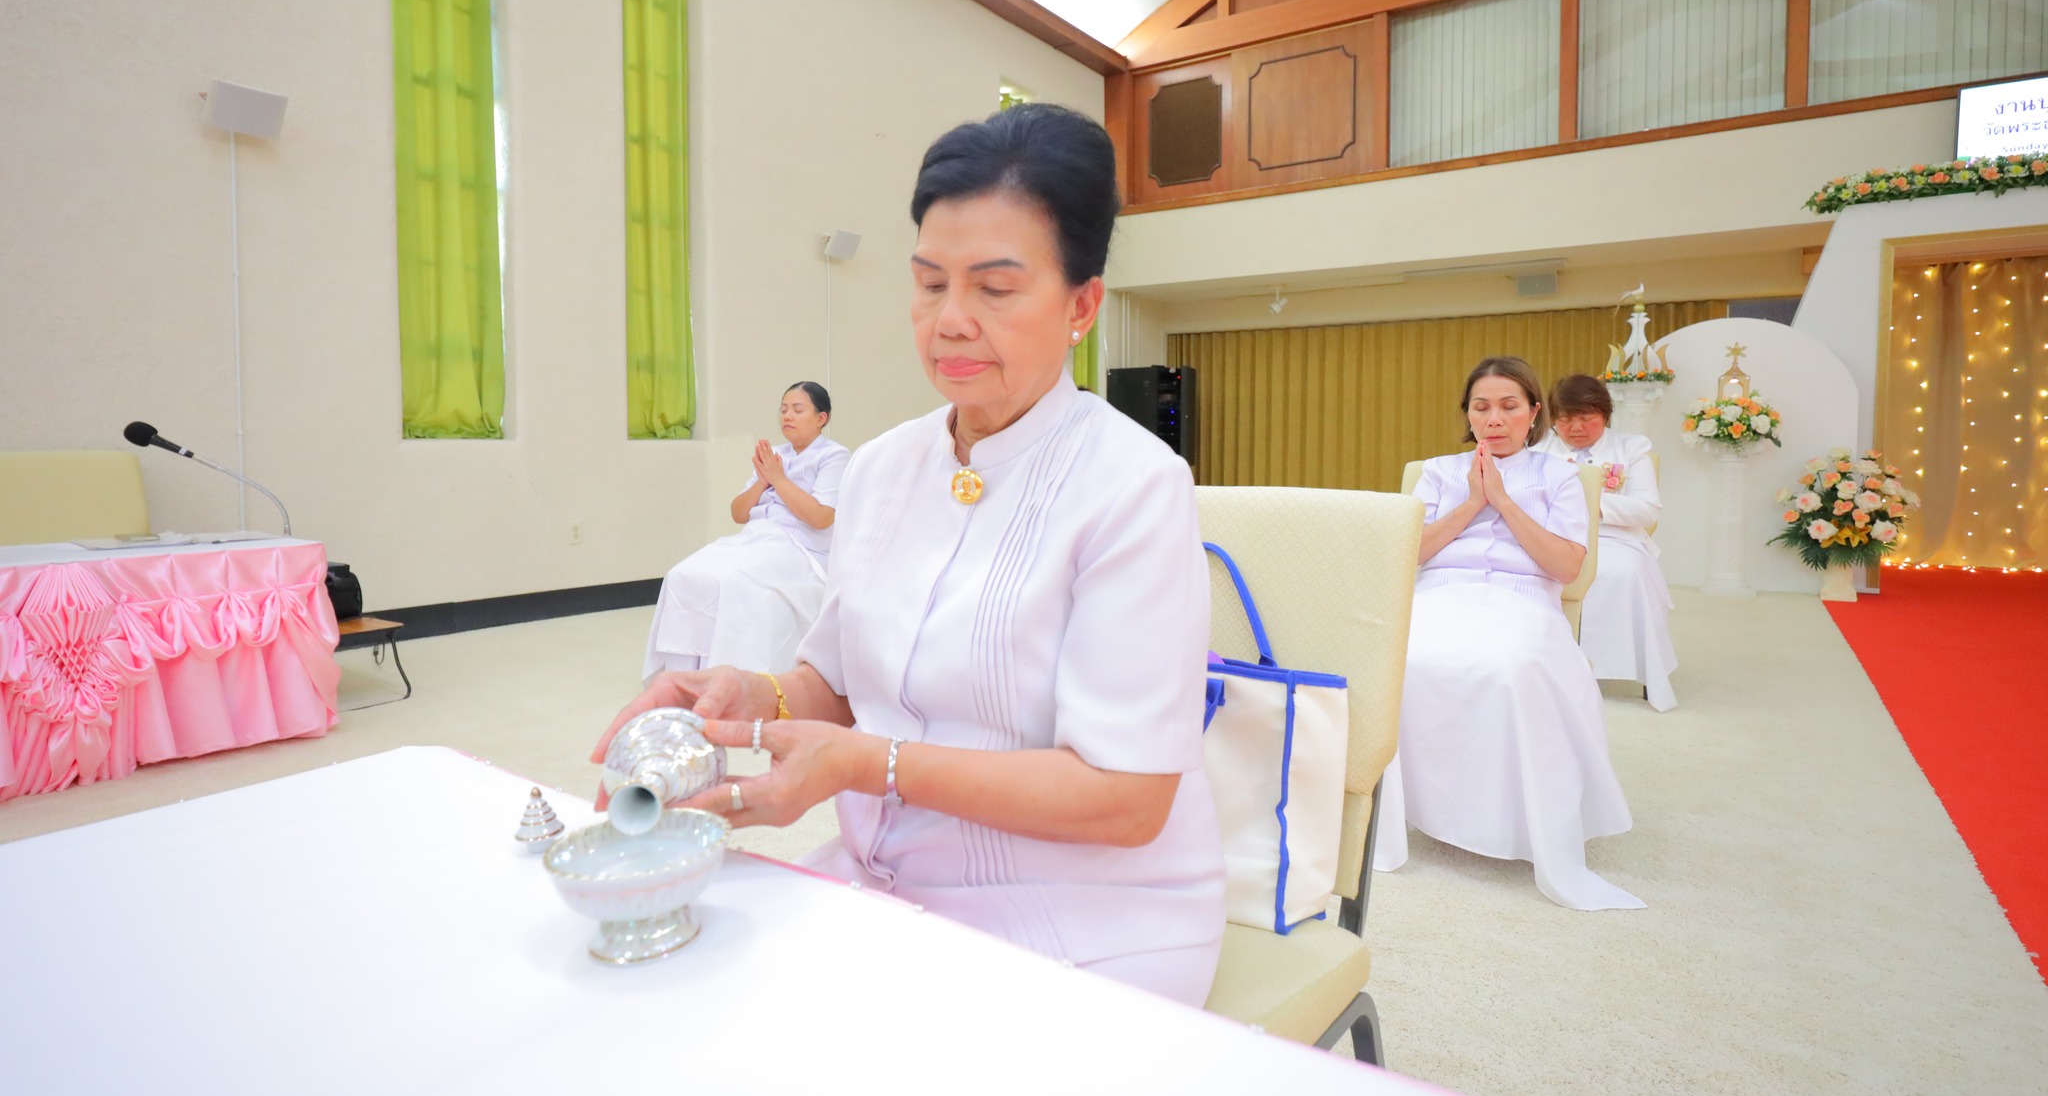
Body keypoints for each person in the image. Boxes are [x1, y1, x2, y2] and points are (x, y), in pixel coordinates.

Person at [594, 104, 1226, 1004]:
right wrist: (751, 693)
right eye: (931, 284)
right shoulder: (887, 466)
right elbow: (843, 684)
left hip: (1086, 915)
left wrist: (866, 766)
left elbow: (1126, 799)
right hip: (883, 876)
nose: (951, 320)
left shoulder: (1135, 486)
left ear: (1083, 304)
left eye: (995, 289)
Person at [1373, 356, 1642, 911]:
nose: (1494, 419)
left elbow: (1567, 567)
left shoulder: (1560, 476)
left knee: (1513, 668)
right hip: (1441, 594)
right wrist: (1473, 500)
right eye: (1481, 407)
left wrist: (1503, 500)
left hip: (1521, 601)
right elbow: (1409, 553)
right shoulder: (1438, 471)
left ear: (1533, 413)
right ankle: (1422, 811)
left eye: (1508, 406)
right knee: (1404, 660)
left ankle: (1512, 819)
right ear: (1467, 414)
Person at [641, 382, 848, 680]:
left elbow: (821, 517)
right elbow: (738, 513)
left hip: (800, 547)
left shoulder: (834, 456)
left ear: (821, 418)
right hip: (756, 538)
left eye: (798, 410)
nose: (787, 416)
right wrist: (763, 481)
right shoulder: (774, 455)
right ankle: (683, 677)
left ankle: (726, 680)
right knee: (684, 574)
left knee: (730, 581)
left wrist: (778, 479)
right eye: (784, 409)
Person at [1537, 374, 1678, 711]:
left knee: (1618, 573)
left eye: (1587, 418)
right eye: (1565, 419)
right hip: (1555, 535)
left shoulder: (1632, 447)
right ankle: (1546, 665)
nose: (1575, 428)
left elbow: (1646, 509)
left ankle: (1609, 665)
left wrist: (1590, 506)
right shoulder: (1540, 448)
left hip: (1615, 536)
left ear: (1605, 414)